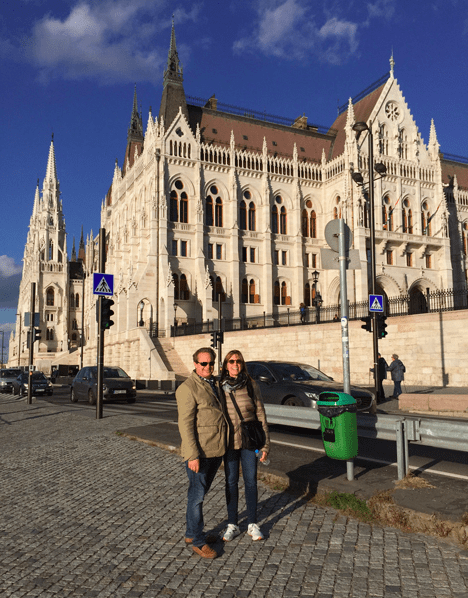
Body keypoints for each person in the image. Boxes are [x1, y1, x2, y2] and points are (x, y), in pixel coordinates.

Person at [176, 347, 228, 559]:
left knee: (198, 494)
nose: (207, 367)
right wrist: (192, 455)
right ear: (195, 364)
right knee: (196, 497)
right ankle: (197, 541)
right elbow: (185, 424)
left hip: (216, 448)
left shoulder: (214, 383)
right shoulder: (187, 388)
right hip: (200, 452)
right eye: (203, 363)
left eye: (210, 363)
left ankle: (191, 533)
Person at [219, 349, 270, 542]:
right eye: (231, 361)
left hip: (249, 441)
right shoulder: (220, 386)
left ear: (242, 364)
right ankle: (232, 523)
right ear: (225, 365)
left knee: (251, 481)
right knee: (231, 482)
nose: (235, 364)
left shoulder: (251, 384)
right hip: (229, 442)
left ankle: (252, 524)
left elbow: (261, 414)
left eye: (238, 361)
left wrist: (265, 446)